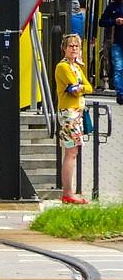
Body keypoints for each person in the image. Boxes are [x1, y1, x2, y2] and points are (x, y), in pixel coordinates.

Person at [54, 33, 92, 204]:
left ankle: (68, 192)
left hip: (76, 112)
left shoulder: (76, 67)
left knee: (73, 151)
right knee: (71, 152)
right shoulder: (63, 67)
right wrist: (80, 88)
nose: (74, 49)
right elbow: (73, 87)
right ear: (64, 48)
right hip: (69, 114)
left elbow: (88, 87)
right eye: (71, 46)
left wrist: (80, 87)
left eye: (77, 46)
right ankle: (67, 193)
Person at [98, 0, 123, 105]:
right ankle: (120, 94)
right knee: (118, 68)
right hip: (117, 42)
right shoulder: (111, 7)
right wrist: (114, 21)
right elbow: (101, 22)